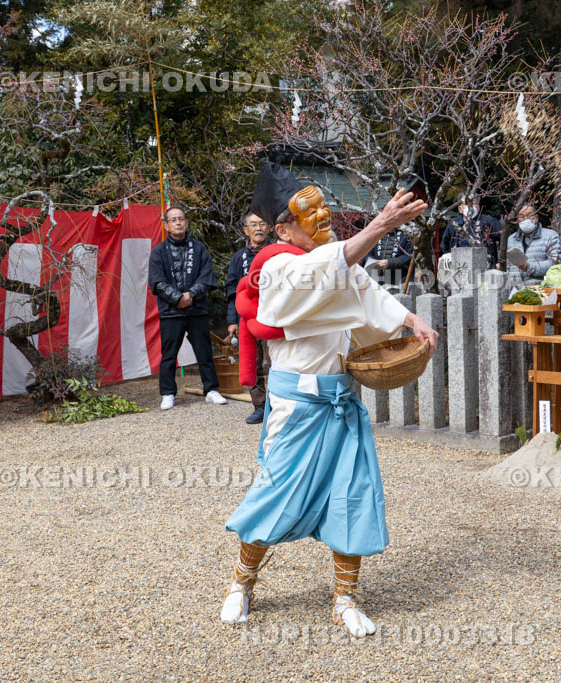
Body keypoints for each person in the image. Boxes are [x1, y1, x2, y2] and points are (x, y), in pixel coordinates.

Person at [221, 161, 438, 638]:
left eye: (324, 213)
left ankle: (345, 597)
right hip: (296, 404)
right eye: (308, 214)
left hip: (339, 397)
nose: (322, 222)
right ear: (282, 226)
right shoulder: (275, 264)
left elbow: (360, 285)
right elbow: (324, 271)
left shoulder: (327, 260)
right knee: (274, 495)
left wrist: (408, 320)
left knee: (352, 496)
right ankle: (242, 582)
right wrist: (379, 225)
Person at [148, 206, 226, 410]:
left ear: (187, 222)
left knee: (204, 352)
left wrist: (190, 295)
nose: (178, 223)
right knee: (168, 354)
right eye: (173, 220)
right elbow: (157, 282)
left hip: (197, 308)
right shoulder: (159, 251)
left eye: (181, 219)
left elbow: (207, 277)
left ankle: (211, 390)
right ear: (166, 225)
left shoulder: (199, 248)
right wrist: (177, 298)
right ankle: (167, 393)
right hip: (170, 311)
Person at [225, 212, 272, 424]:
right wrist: (232, 320)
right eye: (253, 224)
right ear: (246, 230)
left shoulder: (277, 252)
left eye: (262, 223)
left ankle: (279, 403)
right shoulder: (238, 258)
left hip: (272, 315)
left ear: (270, 227)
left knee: (277, 360)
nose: (258, 228)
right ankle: (260, 406)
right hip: (247, 318)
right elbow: (231, 290)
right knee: (251, 362)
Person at [440, 194, 502, 268]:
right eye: (466, 203)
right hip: (459, 266)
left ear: (478, 208)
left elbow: (503, 238)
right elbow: (444, 246)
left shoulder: (488, 221)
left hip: (485, 265)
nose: (470, 206)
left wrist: (499, 262)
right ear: (460, 209)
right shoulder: (453, 224)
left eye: (473, 203)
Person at [505, 203, 561, 280]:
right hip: (516, 288)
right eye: (521, 216)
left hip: (540, 287)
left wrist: (529, 266)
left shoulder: (550, 236)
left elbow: (555, 264)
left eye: (529, 215)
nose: (525, 219)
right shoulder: (511, 239)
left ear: (536, 218)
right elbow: (508, 266)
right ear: (518, 219)